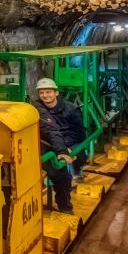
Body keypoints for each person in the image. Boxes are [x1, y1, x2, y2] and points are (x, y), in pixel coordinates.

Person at [32, 78, 86, 214]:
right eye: (42, 93)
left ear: (56, 93)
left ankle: (65, 207)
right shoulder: (36, 108)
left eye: (48, 92)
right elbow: (50, 131)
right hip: (49, 144)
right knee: (60, 174)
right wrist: (60, 149)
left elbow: (79, 134)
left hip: (68, 142)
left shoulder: (71, 110)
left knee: (78, 156)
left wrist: (66, 148)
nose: (45, 96)